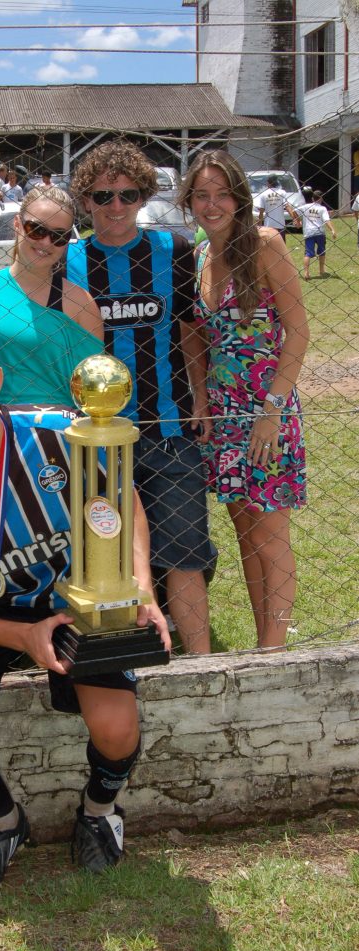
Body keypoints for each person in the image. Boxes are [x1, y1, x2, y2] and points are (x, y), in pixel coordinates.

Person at [0, 315, 170, 896]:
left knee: (117, 728)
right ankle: (3, 823)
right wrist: (23, 637)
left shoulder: (60, 433)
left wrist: (140, 586)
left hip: (77, 601)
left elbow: (124, 503)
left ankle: (98, 812)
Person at [0, 141, 213, 655]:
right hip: (73, 441)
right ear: (87, 201)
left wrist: (199, 397)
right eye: (104, 195)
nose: (116, 205)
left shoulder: (174, 251)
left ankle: (198, 660)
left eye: (128, 194)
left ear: (144, 197)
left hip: (164, 425)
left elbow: (188, 330)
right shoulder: (68, 261)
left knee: (182, 550)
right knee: (80, 549)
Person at [178, 150, 309, 650]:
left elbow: (298, 332)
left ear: (239, 198)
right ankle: (262, 644)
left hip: (268, 411)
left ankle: (274, 652)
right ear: (189, 201)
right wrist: (201, 399)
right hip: (224, 414)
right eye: (201, 195)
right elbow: (193, 337)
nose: (212, 205)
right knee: (246, 536)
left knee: (271, 537)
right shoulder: (198, 258)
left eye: (222, 194)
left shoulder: (265, 245)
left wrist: (271, 412)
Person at [0, 186, 104, 407]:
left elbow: (93, 389)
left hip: (59, 424)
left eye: (59, 236)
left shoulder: (80, 304)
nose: (46, 242)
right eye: (36, 229)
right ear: (17, 224)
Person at [297, 190, 337, 280]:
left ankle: (306, 273)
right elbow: (326, 220)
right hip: (320, 233)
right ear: (321, 198)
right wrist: (332, 230)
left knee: (308, 253)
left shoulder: (306, 207)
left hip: (309, 232)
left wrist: (297, 220)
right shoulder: (322, 208)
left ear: (312, 198)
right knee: (322, 251)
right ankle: (321, 270)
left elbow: (294, 211)